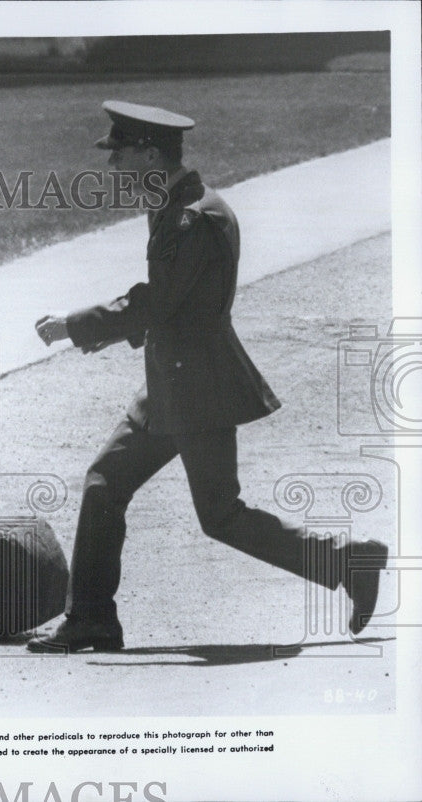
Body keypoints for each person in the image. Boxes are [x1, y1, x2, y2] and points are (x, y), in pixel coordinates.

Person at [28, 101, 388, 653]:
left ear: (150, 153)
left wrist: (73, 326)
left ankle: (346, 561)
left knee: (218, 513)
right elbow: (171, 304)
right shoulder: (179, 205)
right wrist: (101, 330)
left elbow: (159, 303)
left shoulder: (190, 218)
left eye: (120, 154)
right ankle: (91, 618)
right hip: (176, 381)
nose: (113, 167)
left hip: (194, 387)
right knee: (106, 484)